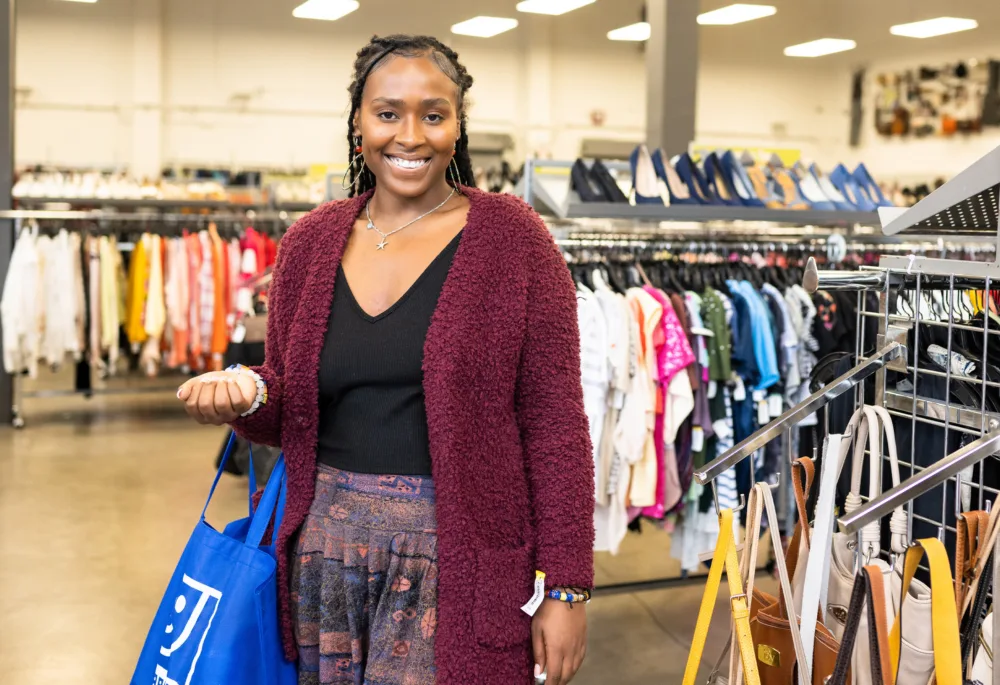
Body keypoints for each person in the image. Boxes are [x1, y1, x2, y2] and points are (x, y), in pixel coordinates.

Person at [177, 34, 594, 685]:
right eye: (388, 112)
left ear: (459, 125)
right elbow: (290, 403)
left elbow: (556, 424)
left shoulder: (513, 240)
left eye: (434, 114)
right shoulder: (311, 243)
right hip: (323, 558)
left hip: (452, 560)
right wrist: (246, 395)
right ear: (358, 123)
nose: (411, 135)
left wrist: (566, 588)